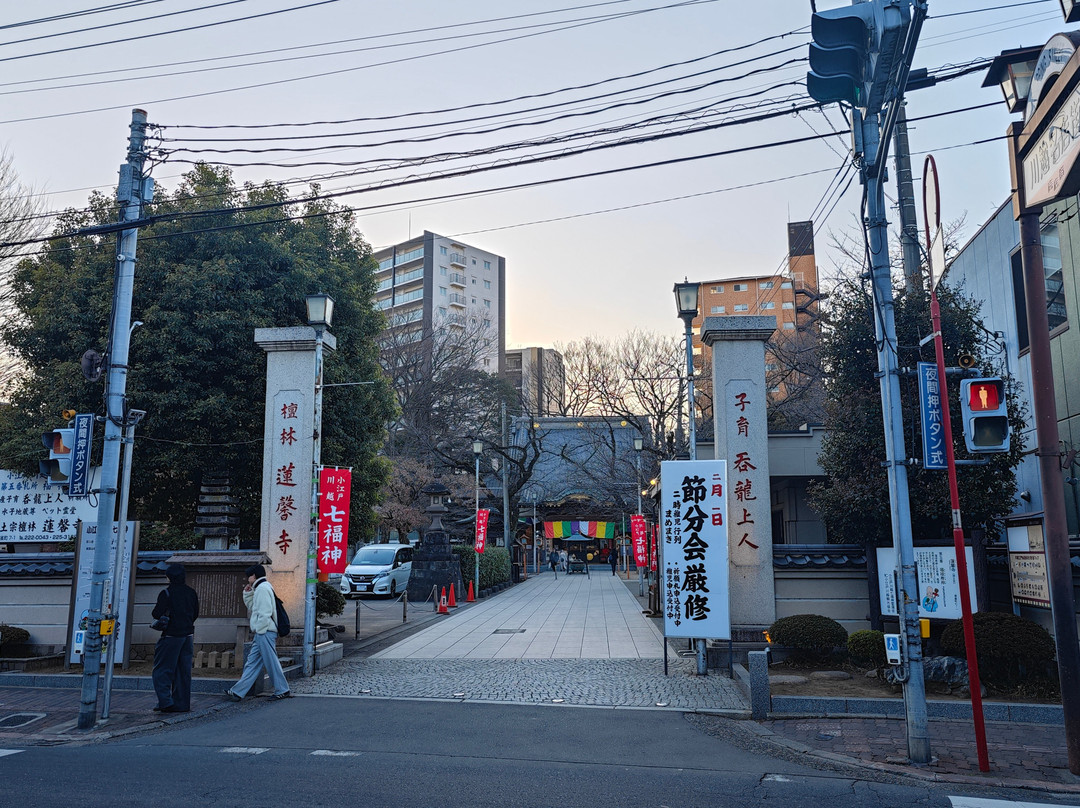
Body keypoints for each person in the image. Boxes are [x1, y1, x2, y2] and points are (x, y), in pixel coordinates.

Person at [225, 564, 291, 702]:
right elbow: (254, 607)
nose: (247, 578)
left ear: (254, 576)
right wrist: (248, 594)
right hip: (264, 631)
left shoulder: (262, 588)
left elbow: (264, 613)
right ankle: (237, 692)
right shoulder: (263, 587)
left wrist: (260, 630)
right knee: (253, 662)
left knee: (269, 662)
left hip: (264, 632)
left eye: (249, 576)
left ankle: (282, 690)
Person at [151, 563, 199, 713]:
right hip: (188, 635)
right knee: (183, 671)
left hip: (171, 635)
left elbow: (156, 613)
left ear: (169, 577)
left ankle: (165, 701)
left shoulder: (166, 593)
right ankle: (182, 704)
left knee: (162, 670)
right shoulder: (191, 592)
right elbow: (195, 613)